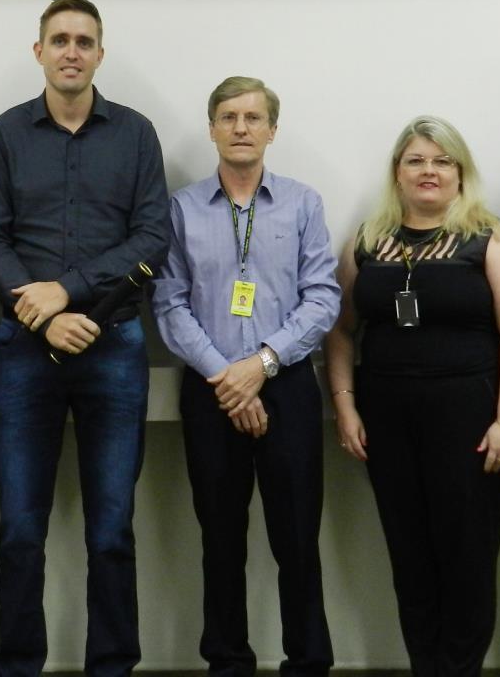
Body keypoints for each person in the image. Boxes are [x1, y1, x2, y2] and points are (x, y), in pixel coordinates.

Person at [0, 0, 170, 677]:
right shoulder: (5, 134)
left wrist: (72, 291)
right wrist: (47, 312)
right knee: (20, 530)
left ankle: (111, 666)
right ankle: (18, 665)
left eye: (84, 40)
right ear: (39, 52)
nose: (71, 51)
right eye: (59, 39)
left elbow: (152, 236)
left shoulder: (137, 134)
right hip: (23, 351)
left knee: (111, 529)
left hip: (113, 346)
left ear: (100, 53)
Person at [325, 115, 500, 677]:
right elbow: (341, 330)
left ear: (461, 173)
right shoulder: (367, 242)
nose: (429, 171)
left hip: (470, 418)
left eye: (443, 161)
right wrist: (345, 405)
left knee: (466, 555)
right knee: (409, 554)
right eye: (416, 160)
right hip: (386, 421)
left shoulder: (490, 238)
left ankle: (459, 669)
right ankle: (426, 667)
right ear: (397, 172)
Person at [153, 76, 340, 677]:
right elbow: (168, 304)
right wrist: (226, 378)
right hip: (210, 391)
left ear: (271, 131)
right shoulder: (180, 208)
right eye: (228, 117)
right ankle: (227, 663)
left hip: (285, 386)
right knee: (220, 540)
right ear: (211, 127)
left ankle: (308, 662)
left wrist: (259, 366)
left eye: (253, 118)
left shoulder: (303, 203)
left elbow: (322, 299)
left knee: (297, 542)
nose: (240, 128)